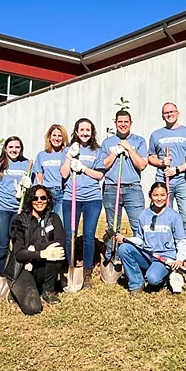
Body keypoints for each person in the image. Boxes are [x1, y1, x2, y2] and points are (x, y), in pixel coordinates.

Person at [115, 182, 186, 295]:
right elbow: (140, 239)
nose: (159, 198)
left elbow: (181, 241)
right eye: (155, 195)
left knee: (153, 279)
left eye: (162, 195)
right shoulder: (144, 214)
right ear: (150, 196)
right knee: (124, 248)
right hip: (147, 254)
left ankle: (163, 277)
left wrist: (179, 259)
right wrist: (125, 240)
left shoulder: (174, 216)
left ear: (167, 196)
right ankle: (136, 283)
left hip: (164, 258)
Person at [60, 118, 106, 285]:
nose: (85, 133)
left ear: (92, 132)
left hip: (92, 199)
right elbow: (64, 174)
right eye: (82, 130)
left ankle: (87, 271)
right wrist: (69, 157)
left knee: (88, 235)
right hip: (71, 198)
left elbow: (100, 175)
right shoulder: (69, 149)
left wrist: (83, 168)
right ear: (76, 132)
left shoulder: (98, 151)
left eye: (88, 130)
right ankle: (69, 266)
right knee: (69, 234)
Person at [6, 185, 65, 314]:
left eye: (43, 198)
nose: (39, 201)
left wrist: (36, 249)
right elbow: (19, 253)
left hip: (41, 265)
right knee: (33, 308)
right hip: (22, 267)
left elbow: (60, 243)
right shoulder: (19, 220)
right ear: (30, 200)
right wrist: (42, 253)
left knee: (57, 252)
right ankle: (15, 289)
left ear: (48, 200)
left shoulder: (54, 218)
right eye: (35, 198)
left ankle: (48, 290)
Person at [101, 110, 148, 265]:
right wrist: (114, 153)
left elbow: (142, 165)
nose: (123, 124)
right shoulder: (107, 143)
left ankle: (139, 255)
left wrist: (129, 149)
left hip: (132, 188)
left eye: (126, 121)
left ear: (130, 123)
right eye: (120, 121)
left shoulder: (139, 141)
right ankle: (112, 257)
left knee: (138, 225)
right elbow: (103, 165)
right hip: (111, 188)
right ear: (115, 123)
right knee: (113, 226)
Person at [0, 136, 32, 277]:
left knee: (18, 242)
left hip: (19, 209)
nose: (14, 150)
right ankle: (1, 274)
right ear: (5, 149)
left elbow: (33, 188)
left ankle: (16, 272)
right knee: (2, 244)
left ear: (21, 149)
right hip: (0, 209)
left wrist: (28, 187)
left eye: (17, 147)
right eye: (11, 147)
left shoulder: (27, 164)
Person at [147, 102, 186, 235]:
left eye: (172, 112)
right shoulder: (156, 135)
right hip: (163, 180)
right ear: (162, 116)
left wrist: (177, 169)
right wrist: (161, 162)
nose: (169, 114)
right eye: (166, 113)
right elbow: (151, 157)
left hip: (183, 181)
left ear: (178, 114)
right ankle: (167, 243)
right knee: (163, 215)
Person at [35, 124, 69, 207]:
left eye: (60, 136)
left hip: (63, 192)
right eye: (54, 135)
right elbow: (39, 177)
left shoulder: (67, 154)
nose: (57, 138)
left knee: (60, 215)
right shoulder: (41, 155)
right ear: (49, 137)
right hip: (47, 192)